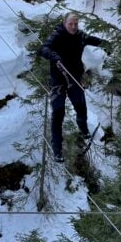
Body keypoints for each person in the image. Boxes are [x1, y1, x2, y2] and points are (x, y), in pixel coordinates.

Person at [38, 12, 107, 162]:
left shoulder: (80, 36)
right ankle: (57, 149)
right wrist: (54, 56)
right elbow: (43, 49)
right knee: (58, 113)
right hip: (58, 82)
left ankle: (83, 129)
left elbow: (93, 40)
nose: (74, 27)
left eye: (76, 24)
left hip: (74, 79)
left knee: (81, 106)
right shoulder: (57, 35)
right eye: (71, 24)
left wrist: (106, 44)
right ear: (64, 23)